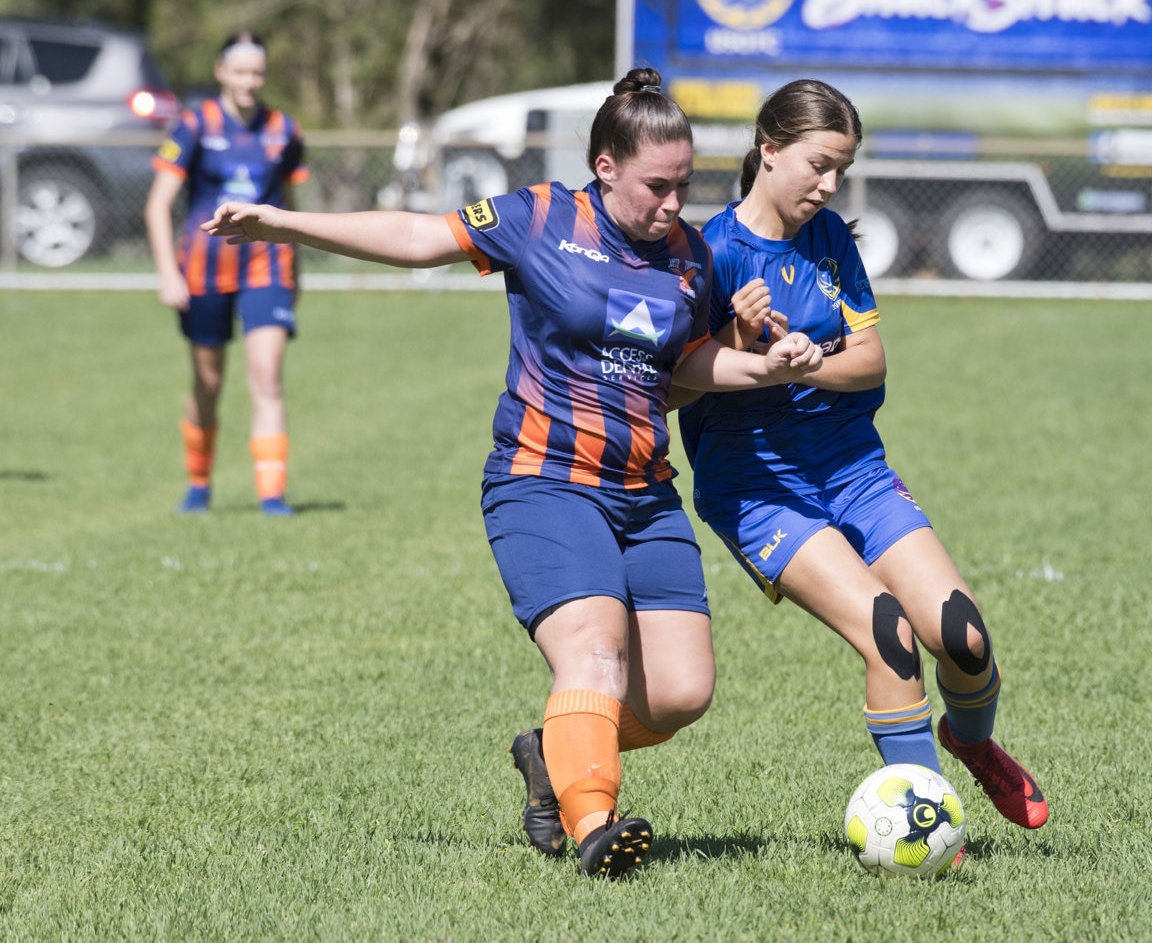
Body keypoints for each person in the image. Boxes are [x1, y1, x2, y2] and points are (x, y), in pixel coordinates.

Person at [201, 69, 824, 879]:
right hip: (543, 479)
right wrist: (284, 223)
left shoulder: (689, 256)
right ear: (605, 167)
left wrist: (765, 364)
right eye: (657, 186)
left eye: (684, 185)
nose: (674, 204)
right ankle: (595, 820)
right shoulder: (538, 216)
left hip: (644, 491)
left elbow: (692, 361)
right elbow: (420, 238)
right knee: (594, 650)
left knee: (679, 692)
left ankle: (550, 748)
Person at [675, 79, 1048, 836]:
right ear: (767, 149)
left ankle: (969, 740)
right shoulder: (707, 253)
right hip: (757, 485)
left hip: (852, 465)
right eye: (818, 164)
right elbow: (674, 388)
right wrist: (743, 344)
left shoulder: (833, 239)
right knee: (890, 632)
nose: (830, 184)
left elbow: (871, 359)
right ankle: (929, 828)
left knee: (964, 635)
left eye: (841, 167)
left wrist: (806, 362)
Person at [145, 31, 308, 516]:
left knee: (266, 376)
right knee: (208, 383)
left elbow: (291, 208)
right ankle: (198, 482)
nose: (249, 81)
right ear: (221, 72)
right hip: (203, 270)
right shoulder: (194, 125)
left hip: (267, 266)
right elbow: (158, 207)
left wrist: (297, 268)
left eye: (257, 72)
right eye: (240, 71)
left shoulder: (285, 130)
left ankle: (271, 495)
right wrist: (167, 273)